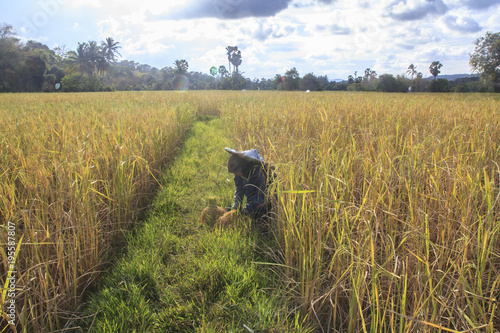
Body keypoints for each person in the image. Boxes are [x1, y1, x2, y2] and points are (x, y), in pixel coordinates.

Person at [225, 148, 276, 224]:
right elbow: (239, 189)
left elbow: (261, 195)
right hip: (254, 199)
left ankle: (264, 225)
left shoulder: (258, 172)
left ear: (242, 168)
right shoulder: (240, 173)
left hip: (267, 201)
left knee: (259, 212)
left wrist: (247, 209)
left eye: (236, 172)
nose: (235, 175)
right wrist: (237, 203)